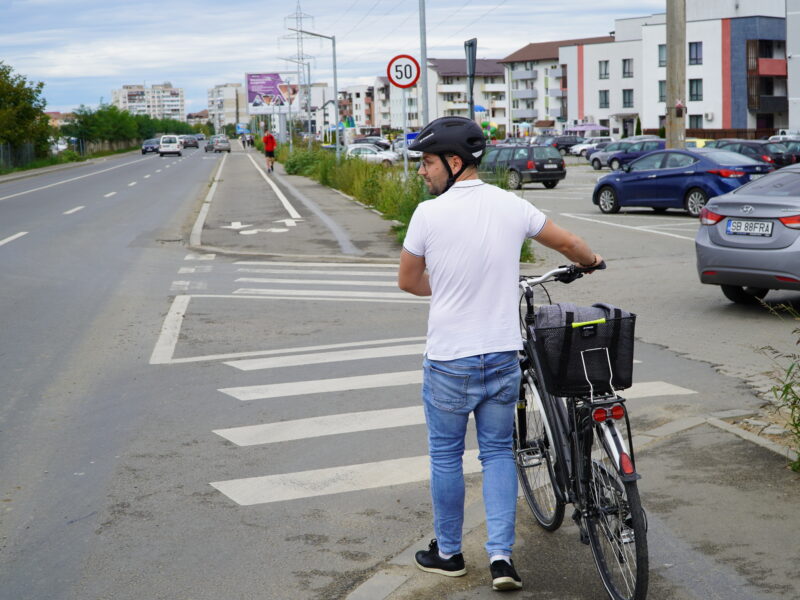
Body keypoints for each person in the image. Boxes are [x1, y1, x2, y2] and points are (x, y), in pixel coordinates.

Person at [398, 116, 603, 592]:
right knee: (497, 454)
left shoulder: (428, 215)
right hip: (501, 356)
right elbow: (570, 244)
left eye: (427, 163)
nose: (423, 172)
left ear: (454, 162)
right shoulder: (512, 205)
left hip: (450, 358)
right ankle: (501, 560)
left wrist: (447, 286)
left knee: (447, 457)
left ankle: (448, 553)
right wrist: (591, 262)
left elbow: (408, 281)